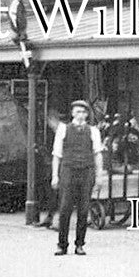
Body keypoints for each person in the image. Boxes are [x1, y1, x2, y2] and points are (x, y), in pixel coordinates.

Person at [50, 100, 105, 256]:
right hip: (68, 170)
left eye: (84, 112)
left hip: (86, 171)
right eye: (78, 112)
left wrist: (99, 176)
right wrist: (55, 176)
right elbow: (57, 155)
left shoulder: (93, 131)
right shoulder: (63, 129)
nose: (81, 115)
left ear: (87, 114)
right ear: (73, 113)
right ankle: (62, 244)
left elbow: (97, 154)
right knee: (65, 208)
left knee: (83, 209)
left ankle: (80, 244)